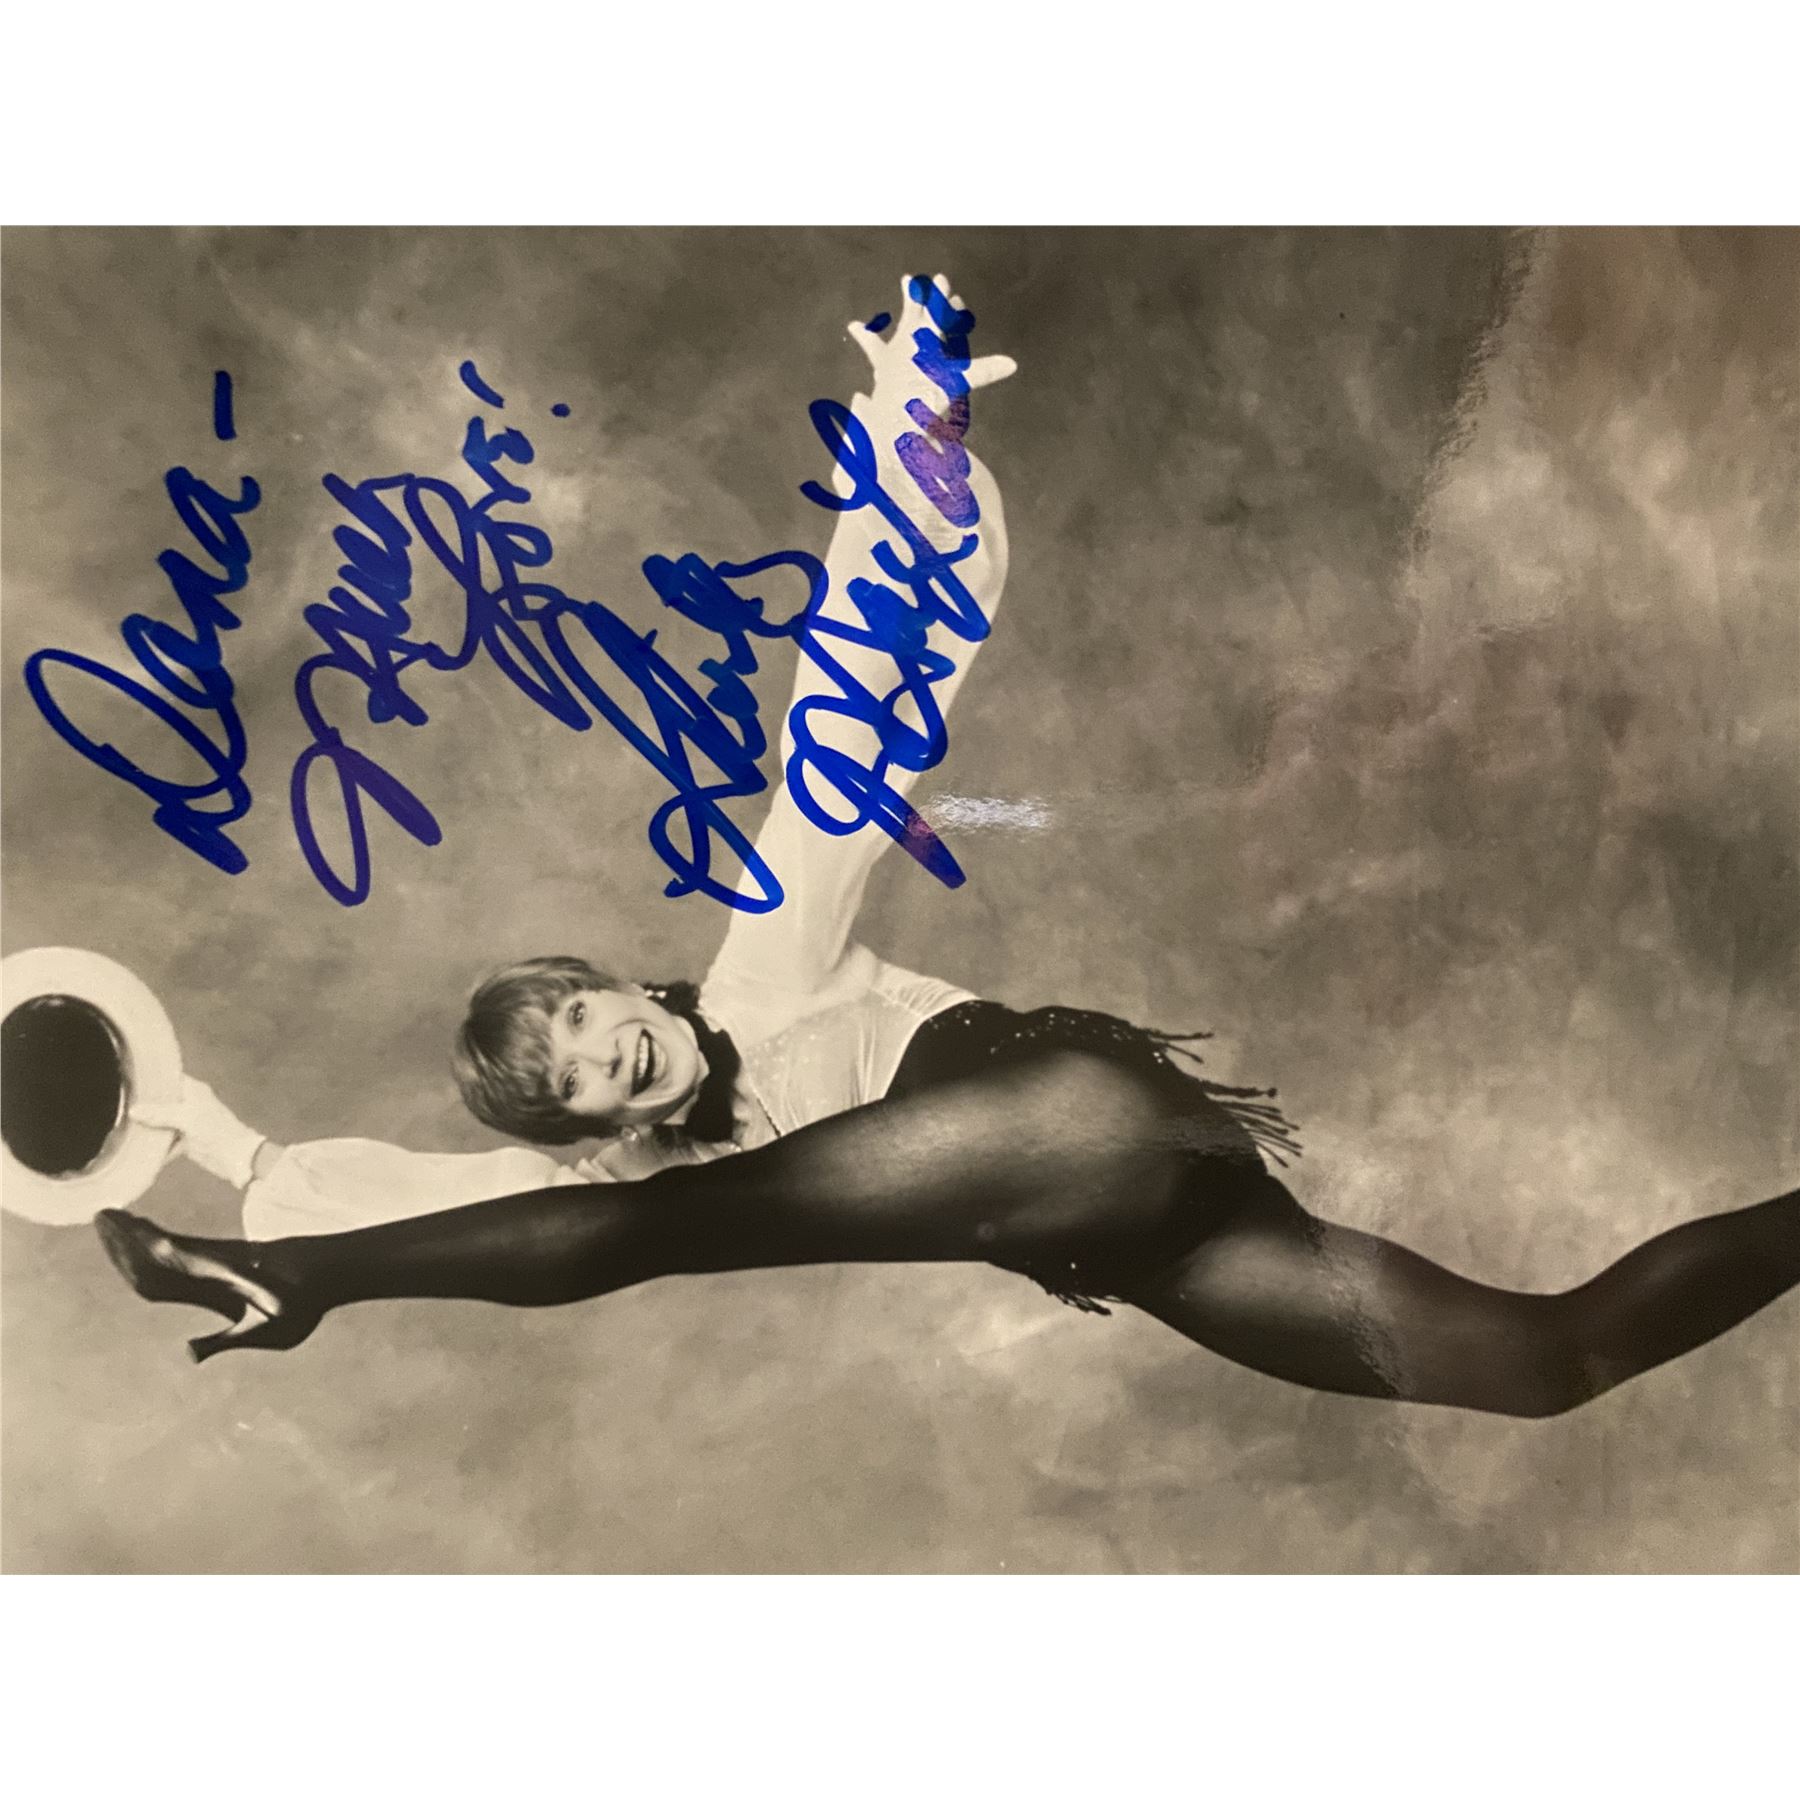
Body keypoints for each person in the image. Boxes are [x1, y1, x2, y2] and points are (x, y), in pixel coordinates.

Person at [96, 275, 1800, 1419]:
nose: (607, 1054)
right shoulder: (641, 1177)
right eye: (580, 1084)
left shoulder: (761, 970)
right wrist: (218, 1144)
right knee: (1548, 1363)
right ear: (595, 1126)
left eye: (588, 1017)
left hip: (1077, 1115)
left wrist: (912, 473)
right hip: (1127, 1233)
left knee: (645, 1240)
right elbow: (472, 1200)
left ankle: (287, 1284)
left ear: (627, 988)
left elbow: (844, 733)